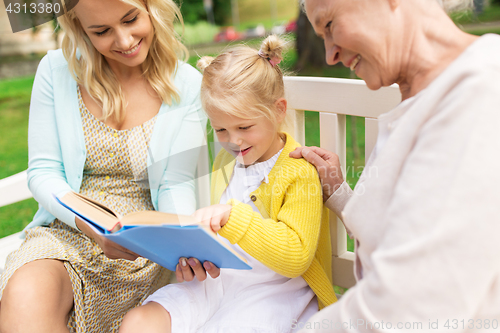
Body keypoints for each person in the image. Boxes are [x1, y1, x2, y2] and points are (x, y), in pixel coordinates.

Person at [0, 0, 214, 331]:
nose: (125, 41)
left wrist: (182, 243)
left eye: (131, 20)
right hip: (66, 231)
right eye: (101, 31)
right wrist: (94, 225)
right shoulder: (56, 71)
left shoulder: (187, 85)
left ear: (151, 8)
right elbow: (43, 172)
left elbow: (175, 182)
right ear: (80, 29)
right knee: (27, 291)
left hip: (141, 249)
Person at [288, 0, 500, 331]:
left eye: (328, 25)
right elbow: (409, 223)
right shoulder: (428, 94)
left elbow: (410, 310)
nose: (329, 54)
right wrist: (341, 195)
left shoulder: (479, 93)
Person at [118, 35, 337, 333]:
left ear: (278, 110)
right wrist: (194, 253)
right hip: (218, 282)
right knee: (139, 322)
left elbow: (296, 257)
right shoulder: (227, 162)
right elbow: (218, 233)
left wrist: (235, 218)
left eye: (244, 127)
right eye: (221, 129)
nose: (233, 141)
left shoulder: (299, 172)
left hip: (274, 293)